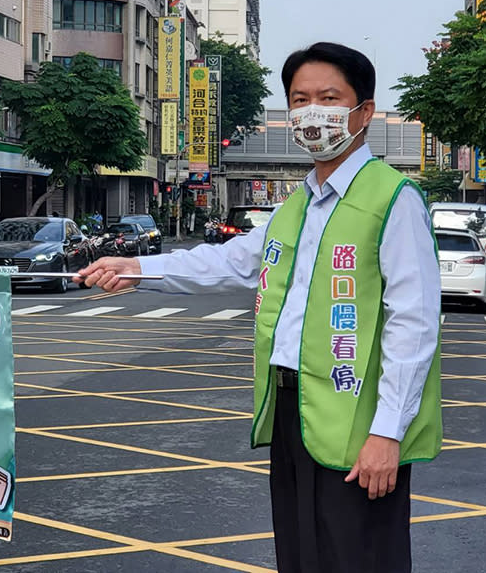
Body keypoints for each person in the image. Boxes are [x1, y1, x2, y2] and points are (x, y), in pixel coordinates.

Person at [77, 42, 442, 573]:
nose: (311, 112)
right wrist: (138, 269)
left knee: (360, 557)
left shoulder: (394, 198)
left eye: (328, 97)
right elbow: (230, 264)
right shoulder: (296, 205)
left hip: (360, 420)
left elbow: (413, 323)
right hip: (295, 411)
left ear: (362, 112)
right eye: (299, 100)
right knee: (301, 554)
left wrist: (388, 433)